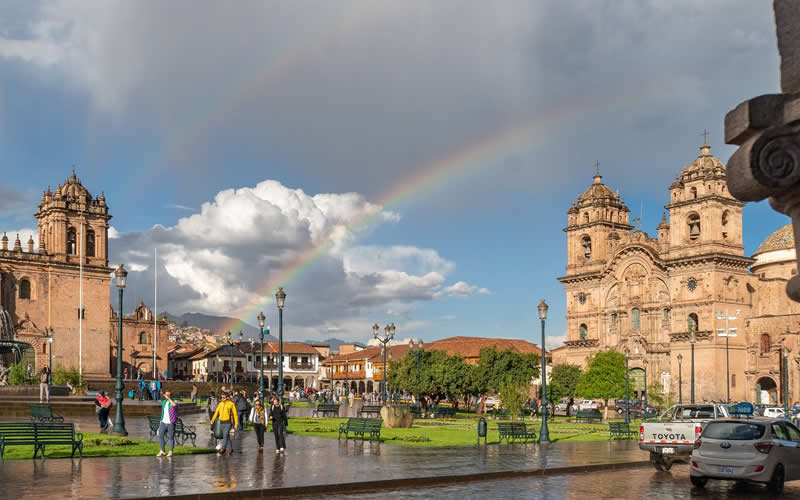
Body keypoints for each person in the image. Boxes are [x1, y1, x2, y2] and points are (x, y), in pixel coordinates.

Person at [156, 391, 178, 457]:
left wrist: (168, 398)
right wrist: (161, 420)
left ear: (171, 395)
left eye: (168, 394)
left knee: (171, 437)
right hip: (163, 422)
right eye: (166, 394)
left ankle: (171, 451)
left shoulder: (174, 401)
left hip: (171, 423)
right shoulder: (164, 402)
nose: (167, 395)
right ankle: (162, 450)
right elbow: (163, 411)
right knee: (160, 436)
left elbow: (174, 405)